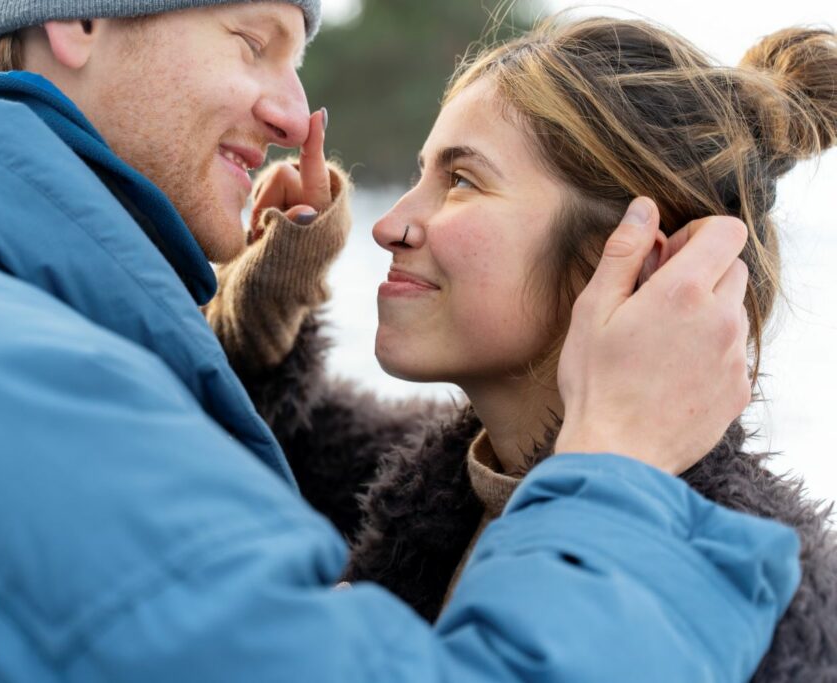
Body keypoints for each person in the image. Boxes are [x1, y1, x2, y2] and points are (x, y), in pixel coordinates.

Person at [0, 1, 800, 681]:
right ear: (75, 18)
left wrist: (252, 319)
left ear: (627, 254)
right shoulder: (8, 379)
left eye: (461, 178)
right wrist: (618, 465)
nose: (293, 113)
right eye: (254, 41)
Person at [207, 15, 837, 681]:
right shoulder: (433, 485)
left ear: (632, 260)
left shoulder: (768, 607)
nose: (388, 225)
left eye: (462, 180)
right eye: (423, 174)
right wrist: (268, 308)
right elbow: (255, 461)